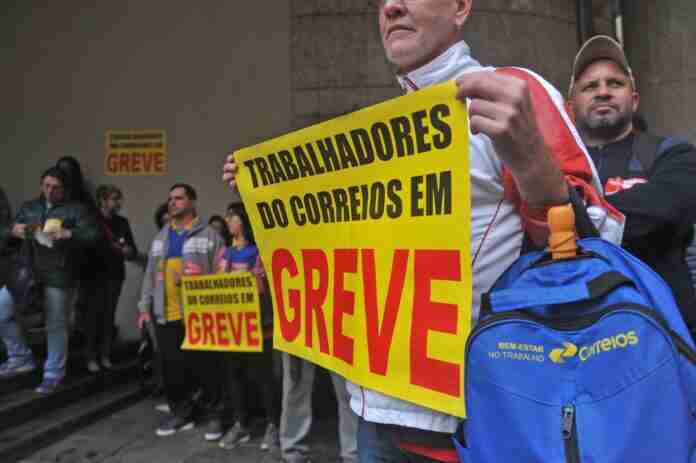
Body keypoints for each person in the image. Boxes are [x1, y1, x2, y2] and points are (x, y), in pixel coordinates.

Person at [223, 1, 622, 461]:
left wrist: (535, 164)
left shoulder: (511, 93)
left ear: (460, 7)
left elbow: (603, 246)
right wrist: (269, 193)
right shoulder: (382, 130)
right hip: (373, 414)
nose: (391, 6)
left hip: (470, 424)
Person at [567, 35, 696, 332]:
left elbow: (663, 208)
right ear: (571, 106)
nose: (603, 92)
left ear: (634, 99)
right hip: (580, 334)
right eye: (590, 86)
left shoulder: (675, 154)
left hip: (665, 334)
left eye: (615, 83)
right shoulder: (556, 165)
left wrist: (570, 215)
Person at [137, 184, 227, 439]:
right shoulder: (160, 238)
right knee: (172, 369)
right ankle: (181, 413)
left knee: (207, 367)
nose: (172, 203)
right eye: (170, 199)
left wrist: (196, 281)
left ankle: (214, 417)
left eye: (178, 198)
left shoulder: (210, 236)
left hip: (199, 315)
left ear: (192, 201)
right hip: (165, 314)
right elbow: (150, 275)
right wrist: (144, 307)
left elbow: (223, 275)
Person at [0, 167, 100, 393]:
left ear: (65, 189)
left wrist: (70, 234)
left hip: (59, 273)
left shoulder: (77, 209)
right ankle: (20, 357)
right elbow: (8, 234)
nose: (50, 191)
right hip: (27, 272)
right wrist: (11, 230)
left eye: (56, 187)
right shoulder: (30, 207)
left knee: (56, 324)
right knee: (1, 311)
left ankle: (53, 373)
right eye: (46, 186)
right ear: (41, 185)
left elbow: (95, 236)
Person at [216, 204, 279, 451]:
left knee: (264, 376)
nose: (227, 219)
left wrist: (255, 279)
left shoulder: (259, 251)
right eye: (228, 215)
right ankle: (241, 423)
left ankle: (273, 425)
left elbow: (264, 290)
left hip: (258, 324)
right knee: (234, 376)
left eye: (232, 215)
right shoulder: (225, 253)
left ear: (244, 220)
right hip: (233, 326)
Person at [82, 185, 138, 373]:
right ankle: (90, 357)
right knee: (92, 317)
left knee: (108, 315)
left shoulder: (122, 222)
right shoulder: (91, 220)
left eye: (119, 198)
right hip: (93, 275)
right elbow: (85, 247)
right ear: (103, 200)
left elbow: (132, 250)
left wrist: (128, 251)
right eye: (115, 198)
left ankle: (105, 355)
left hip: (114, 275)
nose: (118, 202)